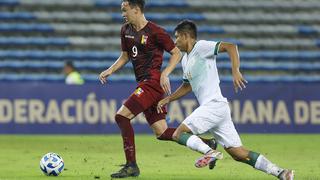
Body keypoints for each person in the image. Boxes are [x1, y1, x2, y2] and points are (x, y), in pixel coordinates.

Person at [157, 20, 294, 180]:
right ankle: (282, 173)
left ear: (187, 36)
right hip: (218, 109)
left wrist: (235, 71)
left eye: (177, 37)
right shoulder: (186, 60)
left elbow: (231, 47)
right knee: (238, 153)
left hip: (213, 106)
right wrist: (168, 99)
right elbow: (187, 87)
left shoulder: (201, 47)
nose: (175, 42)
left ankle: (210, 151)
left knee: (178, 134)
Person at [99, 1, 219, 178]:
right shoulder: (125, 30)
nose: (122, 14)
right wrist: (110, 70)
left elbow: (176, 53)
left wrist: (165, 73)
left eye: (125, 10)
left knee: (121, 116)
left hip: (152, 83)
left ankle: (131, 165)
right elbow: (125, 56)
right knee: (162, 132)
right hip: (144, 83)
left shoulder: (155, 31)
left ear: (136, 9)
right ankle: (207, 144)